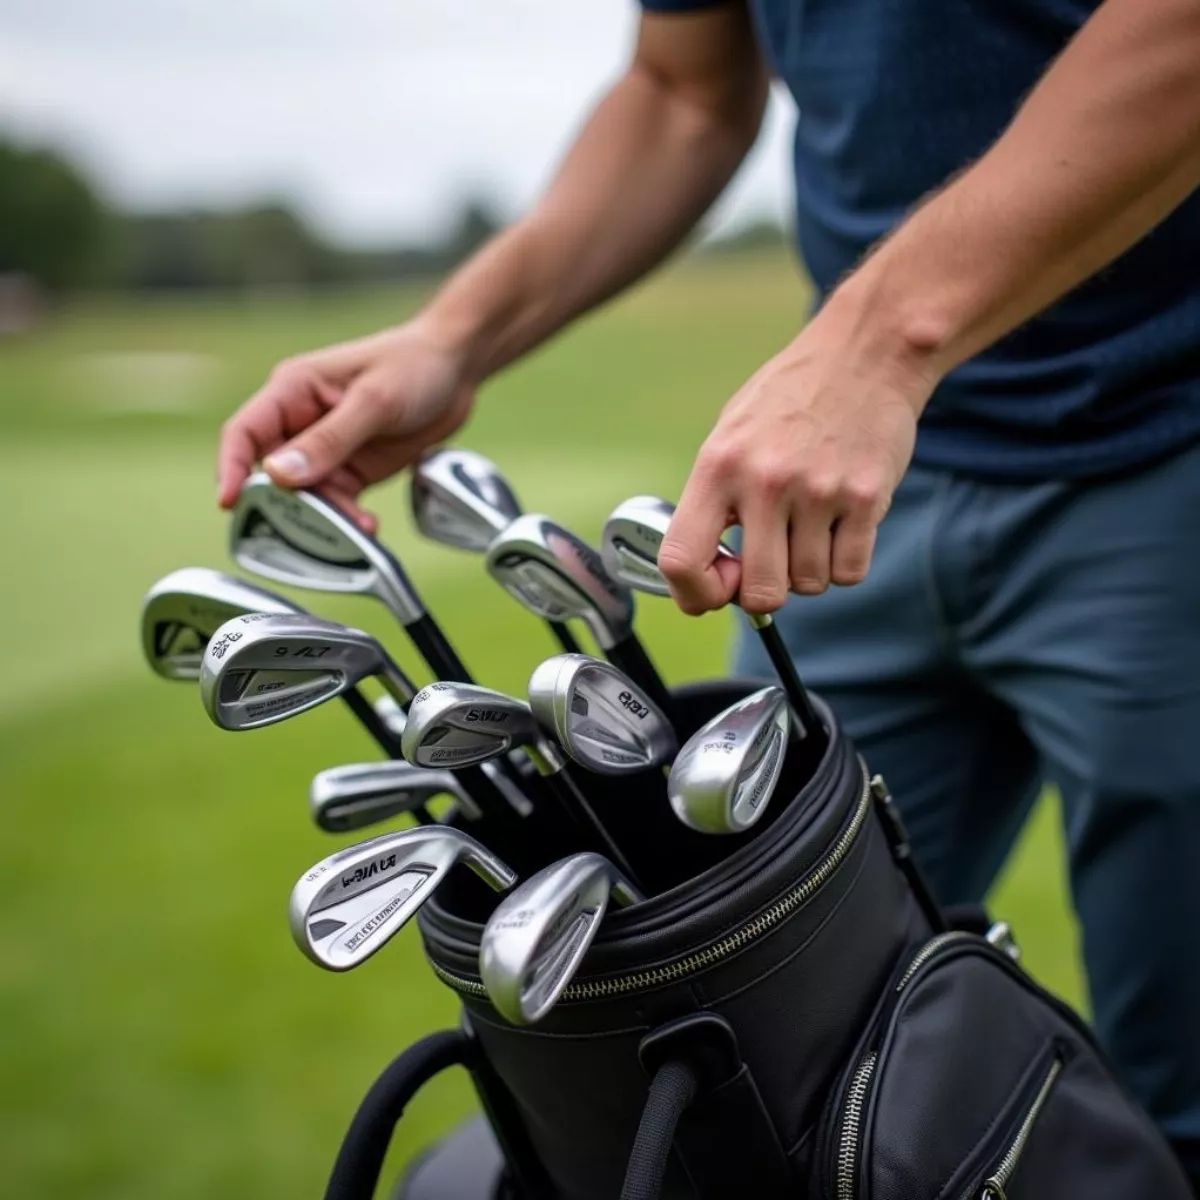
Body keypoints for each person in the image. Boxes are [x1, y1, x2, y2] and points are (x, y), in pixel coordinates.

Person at [216, 0, 1200, 1185]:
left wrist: (875, 346)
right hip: (852, 501)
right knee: (756, 1094)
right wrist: (456, 333)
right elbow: (685, 90)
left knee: (1178, 1104)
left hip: (1166, 441)